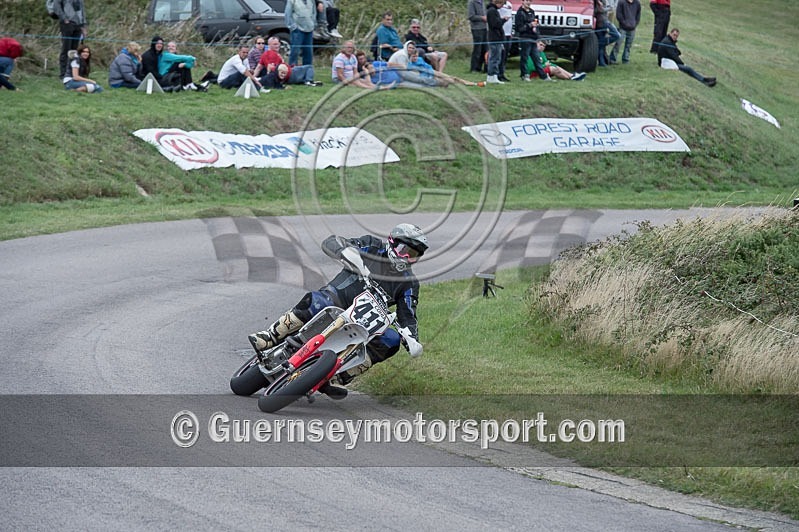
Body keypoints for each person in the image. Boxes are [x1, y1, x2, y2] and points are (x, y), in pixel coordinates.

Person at [248, 224, 429, 398]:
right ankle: (270, 336)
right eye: (405, 251)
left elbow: (408, 315)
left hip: (362, 326)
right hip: (335, 300)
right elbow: (334, 242)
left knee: (391, 340)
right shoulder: (372, 246)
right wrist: (348, 253)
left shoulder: (409, 283)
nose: (407, 258)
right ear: (392, 242)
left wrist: (412, 339)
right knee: (317, 301)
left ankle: (338, 377)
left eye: (413, 255)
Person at [253, 36, 322, 86]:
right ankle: (308, 81)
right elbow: (273, 69)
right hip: (288, 75)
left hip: (287, 74)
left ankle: (305, 81)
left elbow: (258, 68)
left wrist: (252, 78)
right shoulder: (272, 54)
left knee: (300, 68)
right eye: (275, 44)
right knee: (309, 67)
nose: (278, 46)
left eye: (278, 43)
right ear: (269, 45)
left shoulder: (265, 54)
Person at [515, 0, 549, 81]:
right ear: (522, 1)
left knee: (536, 58)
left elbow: (535, 24)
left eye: (530, 1)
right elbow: (518, 28)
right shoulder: (520, 13)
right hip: (525, 38)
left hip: (534, 39)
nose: (528, 2)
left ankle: (543, 76)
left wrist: (536, 28)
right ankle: (524, 75)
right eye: (527, 0)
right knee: (525, 58)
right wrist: (530, 25)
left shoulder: (532, 11)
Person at [52, 0, 87, 79]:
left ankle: (73, 73)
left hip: (78, 25)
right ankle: (63, 74)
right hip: (67, 24)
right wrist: (64, 19)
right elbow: (56, 6)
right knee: (66, 49)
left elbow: (82, 10)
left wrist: (84, 26)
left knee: (74, 51)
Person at [285, 0, 316, 67]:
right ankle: (292, 71)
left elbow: (314, 12)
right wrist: (293, 27)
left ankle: (307, 72)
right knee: (295, 52)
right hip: (297, 30)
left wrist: (313, 24)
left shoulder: (311, 1)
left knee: (308, 52)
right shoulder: (292, 1)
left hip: (309, 29)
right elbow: (288, 14)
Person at [611, 0, 641, 64]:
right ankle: (612, 59)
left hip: (632, 28)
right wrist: (624, 23)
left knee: (628, 45)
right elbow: (618, 15)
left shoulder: (637, 3)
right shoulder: (621, 2)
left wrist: (635, 24)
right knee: (618, 43)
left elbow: (638, 15)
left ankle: (625, 59)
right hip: (622, 27)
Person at [485, 0, 506, 84]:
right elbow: (495, 24)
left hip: (497, 38)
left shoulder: (493, 11)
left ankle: (494, 76)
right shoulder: (492, 11)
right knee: (494, 58)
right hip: (494, 38)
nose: (502, 6)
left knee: (496, 57)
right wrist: (503, 20)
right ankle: (491, 75)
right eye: (502, 4)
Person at [595, 0, 620, 67]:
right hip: (601, 21)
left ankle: (601, 62)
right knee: (616, 35)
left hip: (602, 21)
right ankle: (598, 44)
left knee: (601, 44)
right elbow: (598, 10)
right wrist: (609, 8)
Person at [467, 0, 487, 73]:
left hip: (485, 27)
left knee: (484, 48)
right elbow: (471, 16)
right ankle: (474, 68)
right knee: (477, 49)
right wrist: (482, 18)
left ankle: (480, 67)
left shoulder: (482, 2)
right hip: (476, 28)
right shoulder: (472, 2)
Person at [498, 1, 513, 82]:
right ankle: (497, 73)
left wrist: (510, 32)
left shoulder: (509, 4)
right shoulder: (499, 4)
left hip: (508, 34)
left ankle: (502, 73)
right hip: (501, 33)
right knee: (500, 54)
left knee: (505, 55)